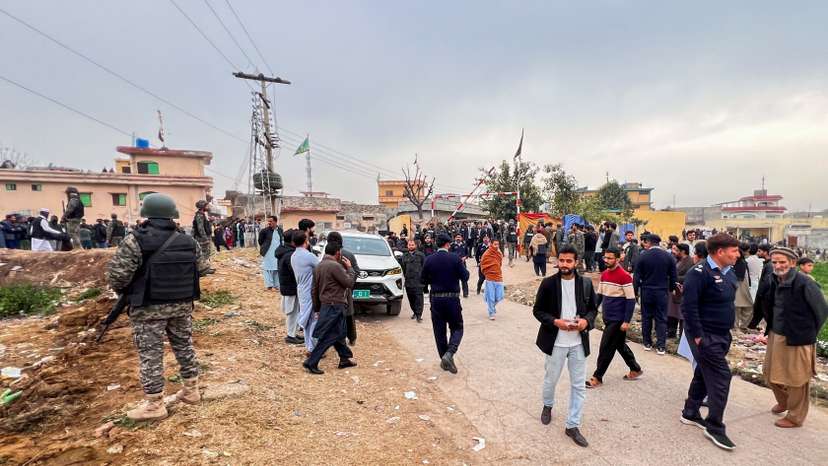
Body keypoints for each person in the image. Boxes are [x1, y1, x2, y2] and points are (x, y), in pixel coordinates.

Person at [106, 193, 209, 421]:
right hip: (182, 305)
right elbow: (202, 268)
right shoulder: (188, 241)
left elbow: (117, 278)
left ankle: (154, 405)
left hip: (148, 308)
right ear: (172, 215)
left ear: (147, 215)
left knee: (151, 355)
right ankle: (191, 391)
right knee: (184, 347)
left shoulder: (135, 240)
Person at [680, 233, 740, 451]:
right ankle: (714, 426)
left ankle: (690, 412)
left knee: (704, 373)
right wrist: (698, 336)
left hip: (722, 334)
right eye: (734, 251)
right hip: (705, 336)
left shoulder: (728, 272)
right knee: (722, 376)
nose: (737, 254)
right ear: (720, 252)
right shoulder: (698, 273)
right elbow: (688, 307)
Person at [532, 244, 596, 448]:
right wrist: (555, 322)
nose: (565, 264)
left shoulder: (585, 283)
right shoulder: (549, 284)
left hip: (578, 343)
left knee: (578, 385)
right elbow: (538, 311)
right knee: (551, 379)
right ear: (557, 261)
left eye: (569, 261)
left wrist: (586, 321)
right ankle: (548, 405)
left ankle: (572, 425)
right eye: (562, 260)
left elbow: (593, 310)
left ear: (576, 262)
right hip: (555, 343)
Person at [759, 247, 828, 428]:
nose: (778, 265)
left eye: (782, 262)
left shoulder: (805, 283)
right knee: (770, 373)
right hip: (776, 334)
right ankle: (785, 402)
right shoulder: (773, 279)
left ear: (792, 263)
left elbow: (821, 311)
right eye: (775, 262)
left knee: (797, 378)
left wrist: (807, 332)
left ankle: (795, 417)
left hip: (798, 337)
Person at [587, 247, 641, 388]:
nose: (607, 260)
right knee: (619, 345)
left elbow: (630, 300)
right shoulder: (604, 274)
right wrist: (591, 311)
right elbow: (599, 296)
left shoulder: (624, 276)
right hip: (607, 317)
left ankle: (597, 376)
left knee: (605, 347)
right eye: (605, 257)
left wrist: (626, 321)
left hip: (618, 320)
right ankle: (635, 368)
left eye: (610, 258)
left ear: (618, 259)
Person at [302, 242, 358, 374]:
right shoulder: (335, 266)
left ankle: (344, 358)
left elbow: (314, 290)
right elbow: (349, 283)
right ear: (338, 253)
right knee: (332, 335)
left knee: (339, 333)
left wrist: (317, 308)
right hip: (335, 305)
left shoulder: (319, 266)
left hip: (326, 305)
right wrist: (350, 268)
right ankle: (311, 362)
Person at [421, 234, 469, 374]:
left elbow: (422, 280)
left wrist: (434, 279)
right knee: (457, 328)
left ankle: (445, 358)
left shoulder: (429, 259)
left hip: (436, 300)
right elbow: (465, 276)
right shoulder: (455, 258)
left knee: (439, 332)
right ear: (448, 244)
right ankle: (449, 354)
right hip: (452, 299)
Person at [634, 234, 677, 354]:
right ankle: (661, 346)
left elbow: (636, 276)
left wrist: (635, 291)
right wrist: (671, 288)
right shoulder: (669, 257)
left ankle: (647, 342)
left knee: (646, 317)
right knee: (661, 318)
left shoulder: (642, 256)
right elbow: (674, 276)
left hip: (646, 290)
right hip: (662, 291)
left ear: (649, 242)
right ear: (658, 243)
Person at [327, 231, 360, 344]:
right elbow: (357, 271)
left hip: (332, 291)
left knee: (334, 317)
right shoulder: (349, 254)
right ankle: (351, 338)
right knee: (349, 315)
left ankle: (336, 340)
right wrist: (350, 284)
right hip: (346, 289)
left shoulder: (326, 255)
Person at [292, 231, 319, 354]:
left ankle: (309, 346)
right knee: (313, 319)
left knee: (307, 319)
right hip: (310, 290)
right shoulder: (309, 256)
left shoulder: (293, 256)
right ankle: (312, 348)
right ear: (305, 241)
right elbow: (320, 268)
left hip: (301, 289)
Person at [276, 229, 303, 345]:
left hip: (287, 286)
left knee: (294, 311)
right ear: (293, 241)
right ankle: (290, 335)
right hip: (291, 287)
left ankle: (293, 333)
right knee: (292, 312)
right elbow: (295, 272)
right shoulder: (290, 255)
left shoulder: (284, 251)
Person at [667, 243, 694, 339]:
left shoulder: (690, 262)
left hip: (681, 292)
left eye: (677, 251)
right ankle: (671, 333)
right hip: (674, 292)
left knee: (681, 315)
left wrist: (674, 278)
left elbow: (688, 276)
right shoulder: (677, 260)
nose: (675, 252)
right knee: (672, 313)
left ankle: (682, 336)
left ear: (683, 252)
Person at [748, 244, 774, 329]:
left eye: (760, 251)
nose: (758, 253)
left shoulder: (770, 265)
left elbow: (767, 281)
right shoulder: (767, 263)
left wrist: (761, 293)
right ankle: (750, 327)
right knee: (757, 313)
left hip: (764, 295)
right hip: (762, 294)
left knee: (764, 313)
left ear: (766, 252)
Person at [401, 239, 426, 322]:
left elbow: (424, 267)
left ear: (415, 246)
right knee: (411, 299)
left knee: (419, 298)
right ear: (407, 246)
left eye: (412, 245)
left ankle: (419, 315)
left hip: (418, 281)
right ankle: (415, 312)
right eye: (409, 245)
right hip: (409, 281)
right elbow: (403, 268)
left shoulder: (421, 255)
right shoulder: (404, 256)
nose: (411, 246)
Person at [481, 239, 504, 320]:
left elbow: (500, 263)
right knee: (491, 297)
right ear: (491, 244)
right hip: (490, 278)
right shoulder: (486, 254)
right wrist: (487, 273)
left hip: (498, 277)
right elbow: (483, 264)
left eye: (498, 244)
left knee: (500, 296)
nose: (496, 246)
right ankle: (491, 312)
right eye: (495, 244)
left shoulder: (499, 253)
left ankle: (492, 307)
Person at [258, 215, 283, 291]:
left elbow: (281, 240)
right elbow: (260, 241)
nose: (269, 223)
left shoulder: (280, 230)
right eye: (268, 221)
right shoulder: (264, 231)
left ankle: (276, 285)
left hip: (277, 252)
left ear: (275, 222)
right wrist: (265, 247)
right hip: (268, 252)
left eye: (271, 221)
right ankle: (269, 285)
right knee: (267, 268)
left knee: (276, 268)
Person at [733, 243, 754, 330]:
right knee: (740, 307)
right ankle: (738, 327)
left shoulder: (740, 262)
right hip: (740, 287)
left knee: (739, 308)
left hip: (740, 286)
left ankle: (739, 327)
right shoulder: (740, 262)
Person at [192, 200, 214, 272]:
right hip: (201, 238)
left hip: (205, 237)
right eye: (206, 205)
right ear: (202, 207)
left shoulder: (203, 214)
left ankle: (206, 267)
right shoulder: (199, 215)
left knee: (207, 252)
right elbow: (200, 228)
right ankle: (203, 269)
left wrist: (210, 221)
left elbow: (206, 226)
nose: (208, 207)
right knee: (203, 253)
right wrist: (205, 238)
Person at [449, 234, 470, 298]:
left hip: (463, 264)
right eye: (457, 237)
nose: (458, 238)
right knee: (454, 279)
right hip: (454, 265)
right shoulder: (452, 245)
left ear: (461, 238)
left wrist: (465, 257)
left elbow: (467, 253)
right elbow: (449, 254)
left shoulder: (464, 245)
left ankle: (465, 293)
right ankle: (455, 293)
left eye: (459, 237)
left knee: (464, 279)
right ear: (455, 238)